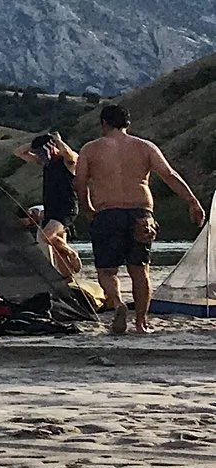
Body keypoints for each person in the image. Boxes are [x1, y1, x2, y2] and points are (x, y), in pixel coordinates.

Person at [73, 103, 206, 334]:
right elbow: (169, 175)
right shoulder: (145, 147)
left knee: (107, 270)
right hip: (141, 214)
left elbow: (80, 182)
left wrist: (88, 209)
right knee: (140, 269)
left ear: (103, 124)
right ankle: (141, 323)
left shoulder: (91, 149)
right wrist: (192, 201)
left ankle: (118, 304)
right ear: (128, 124)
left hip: (108, 212)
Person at [15, 132, 84, 287]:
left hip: (66, 207)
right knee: (56, 248)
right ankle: (66, 278)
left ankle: (71, 253)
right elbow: (19, 152)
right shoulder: (46, 163)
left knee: (46, 237)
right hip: (51, 208)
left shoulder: (67, 162)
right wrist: (35, 143)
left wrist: (58, 141)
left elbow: (70, 155)